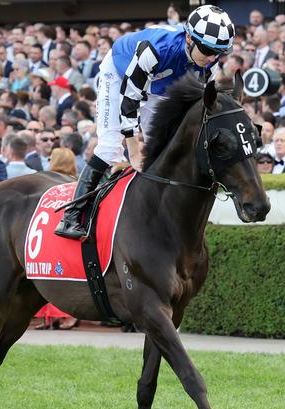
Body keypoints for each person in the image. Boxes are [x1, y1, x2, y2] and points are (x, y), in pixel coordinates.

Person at [55, 4, 235, 239]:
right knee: (110, 146)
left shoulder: (209, 65)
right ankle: (70, 215)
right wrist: (133, 148)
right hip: (120, 73)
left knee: (162, 144)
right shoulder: (156, 49)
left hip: (158, 84)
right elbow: (130, 98)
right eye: (207, 49)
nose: (211, 57)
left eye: (219, 52)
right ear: (189, 38)